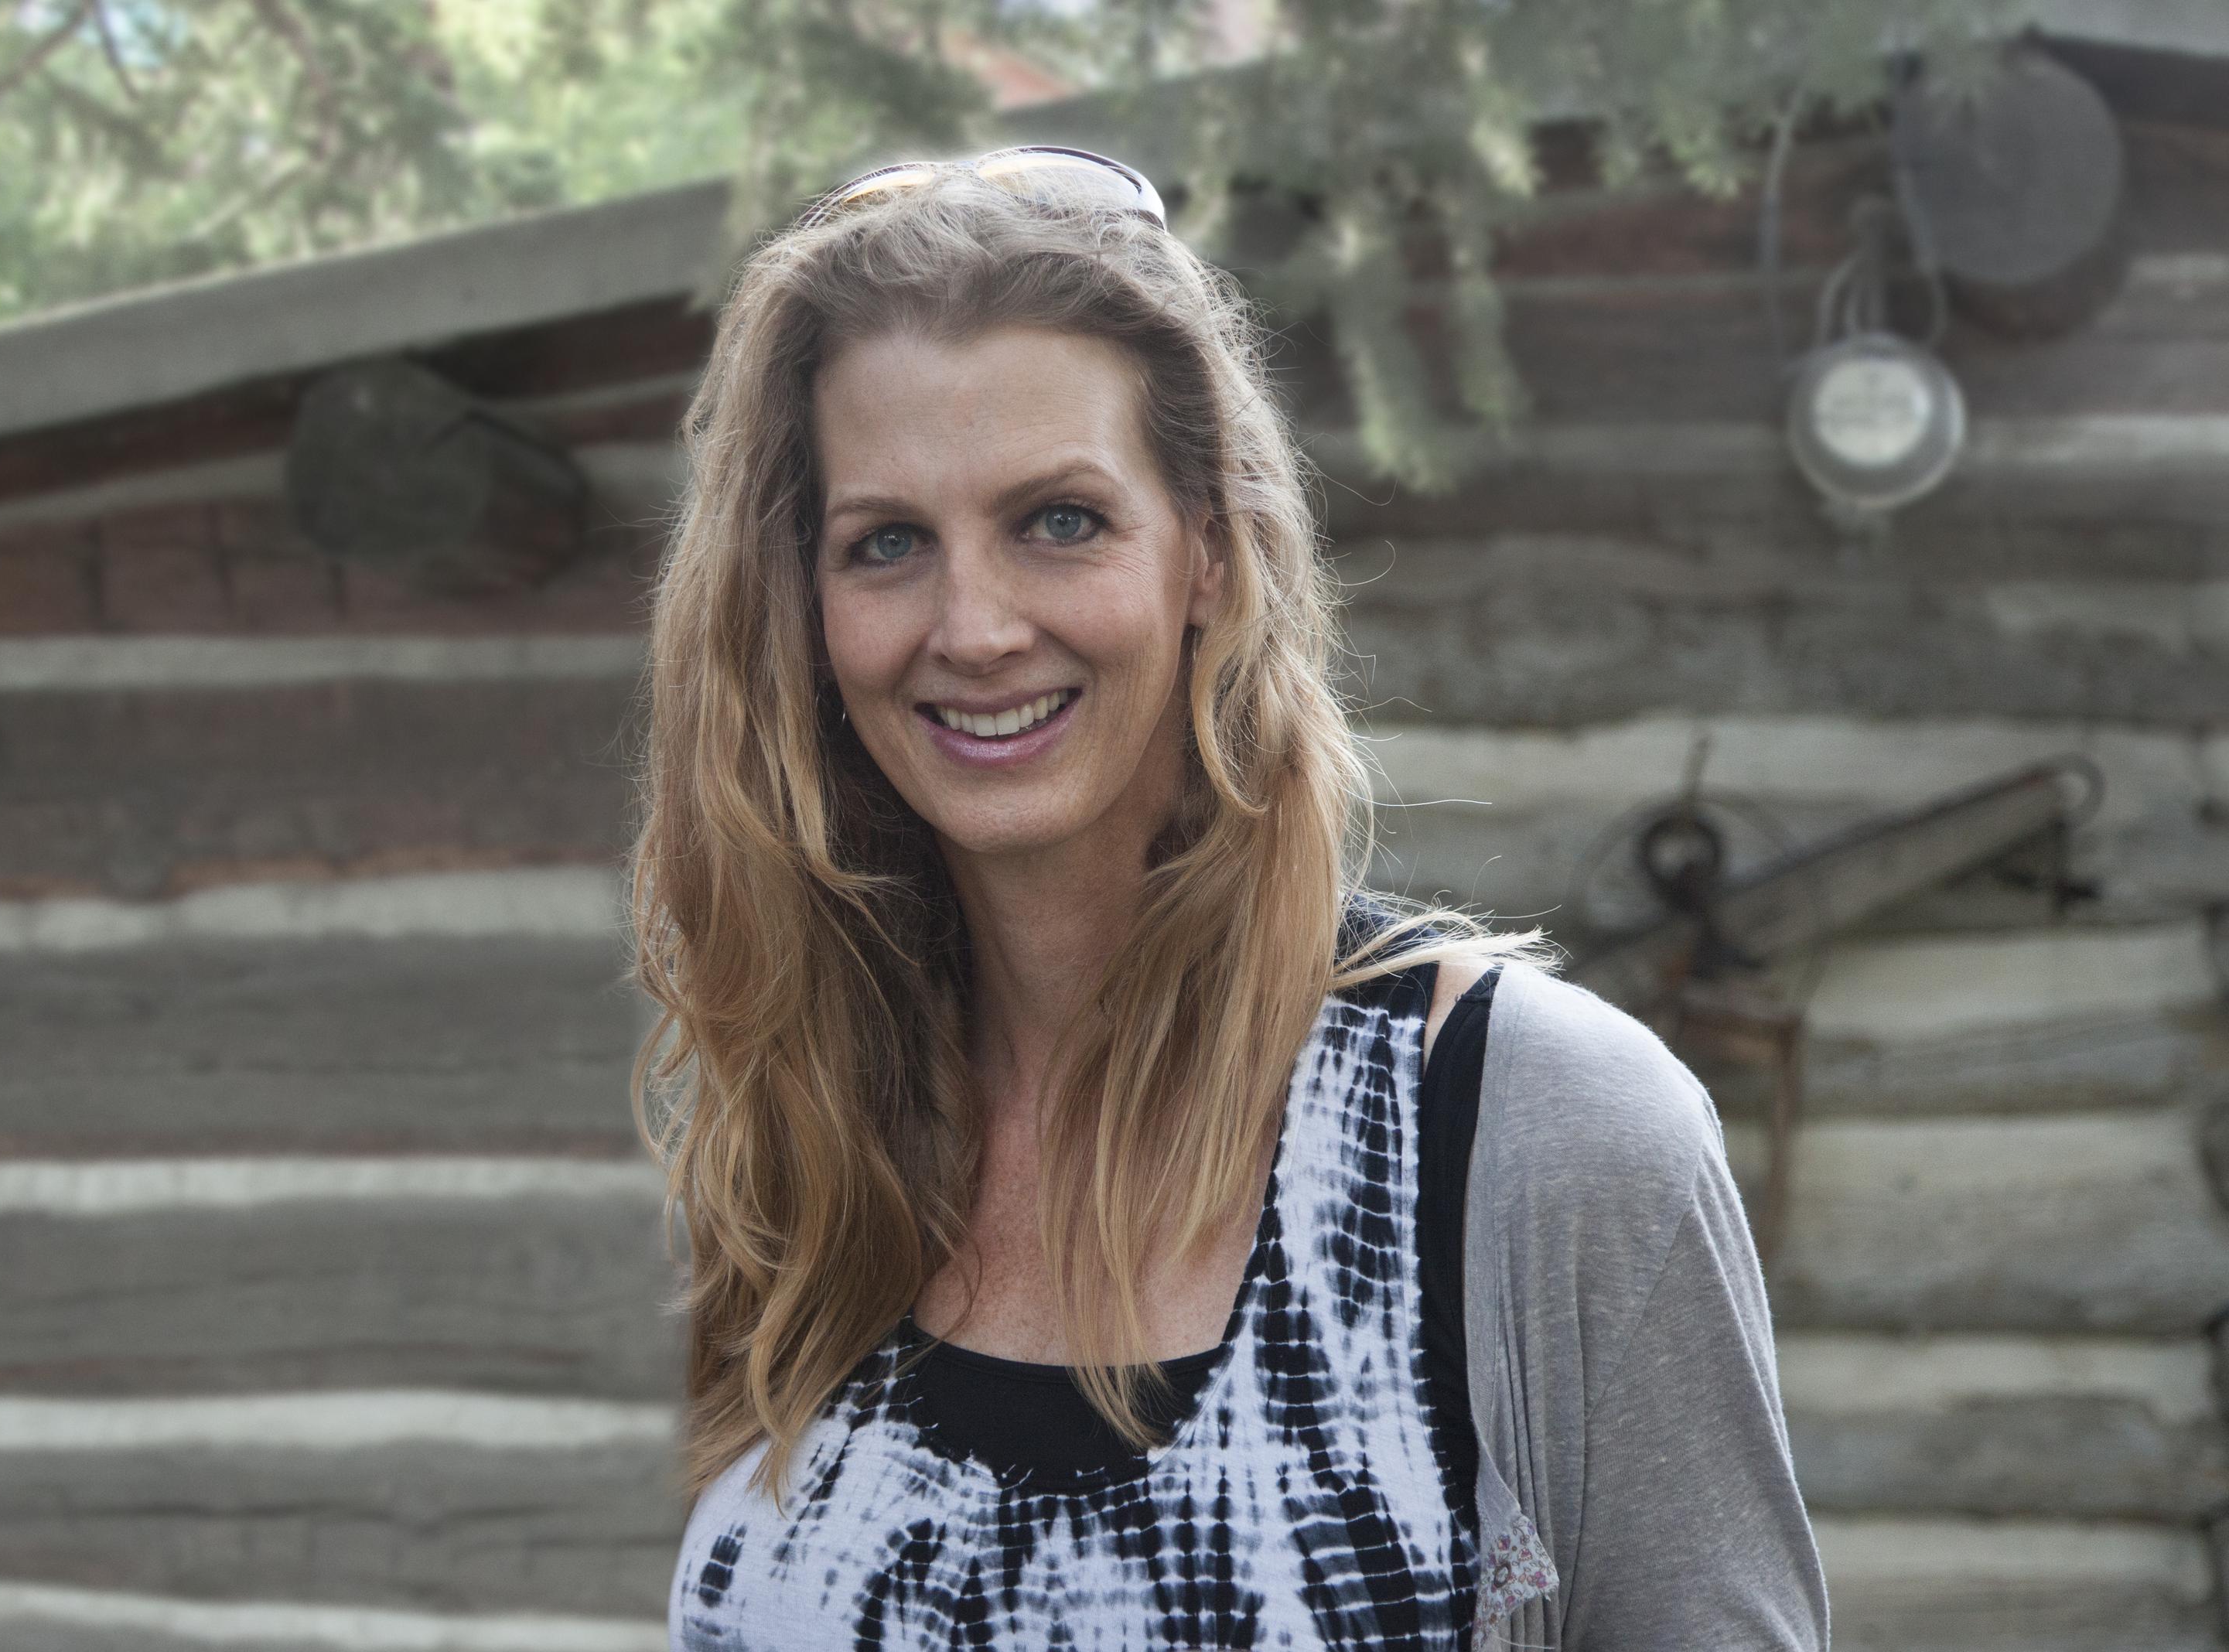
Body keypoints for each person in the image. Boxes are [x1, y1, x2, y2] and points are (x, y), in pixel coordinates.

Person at [626, 148, 1826, 1649]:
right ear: (801, 608)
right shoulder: (803, 1136)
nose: (974, 627)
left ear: (1206, 547)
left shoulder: (1533, 1133)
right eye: (888, 544)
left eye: (1058, 519)